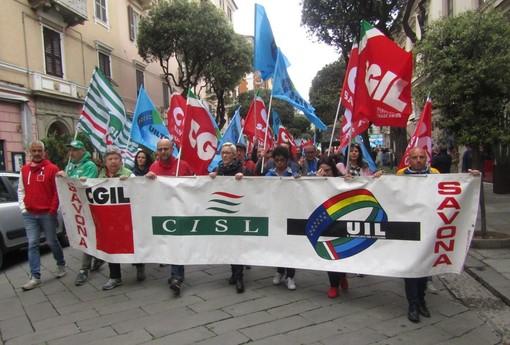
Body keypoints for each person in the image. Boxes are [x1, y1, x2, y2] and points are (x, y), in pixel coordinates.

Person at [397, 147, 480, 323]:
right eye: (415, 158)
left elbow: (454, 184)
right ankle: (412, 304)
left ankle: (421, 300)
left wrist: (471, 177)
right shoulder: (400, 175)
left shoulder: (435, 173)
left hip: (430, 227)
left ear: (426, 159)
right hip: (409, 229)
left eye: (421, 157)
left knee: (424, 267)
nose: (418, 160)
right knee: (410, 268)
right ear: (409, 160)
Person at [146, 139, 194, 295]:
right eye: (160, 149)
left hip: (180, 211)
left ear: (173, 149)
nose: (163, 152)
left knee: (177, 242)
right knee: (168, 243)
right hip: (162, 212)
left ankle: (177, 276)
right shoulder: (153, 167)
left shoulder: (183, 165)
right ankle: (176, 273)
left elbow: (194, 185)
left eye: (166, 148)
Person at [18, 140, 66, 290]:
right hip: (30, 214)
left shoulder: (52, 169)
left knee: (52, 241)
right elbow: (21, 190)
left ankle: (61, 264)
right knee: (32, 244)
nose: (37, 153)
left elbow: (56, 192)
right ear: (30, 152)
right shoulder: (24, 170)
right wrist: (23, 209)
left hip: (47, 213)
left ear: (43, 152)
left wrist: (52, 210)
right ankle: (35, 276)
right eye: (34, 151)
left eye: (39, 151)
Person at [56, 140, 103, 286]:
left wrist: (67, 178)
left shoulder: (90, 166)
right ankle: (98, 256)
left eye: (75, 150)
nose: (72, 153)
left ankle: (84, 269)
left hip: (87, 207)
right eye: (70, 150)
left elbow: (84, 185)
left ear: (82, 150)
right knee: (86, 236)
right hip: (75, 207)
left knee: (86, 235)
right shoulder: (69, 166)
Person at [209, 142, 246, 293]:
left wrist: (245, 177)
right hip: (225, 213)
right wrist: (212, 177)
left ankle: (239, 276)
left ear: (234, 154)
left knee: (237, 243)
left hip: (240, 211)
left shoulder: (243, 169)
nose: (224, 155)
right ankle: (233, 272)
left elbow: (256, 185)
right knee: (229, 243)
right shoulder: (219, 169)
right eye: (222, 152)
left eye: (227, 153)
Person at [98, 146, 135, 291]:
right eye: (110, 159)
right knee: (111, 246)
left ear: (120, 161)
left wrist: (129, 183)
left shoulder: (129, 174)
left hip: (126, 216)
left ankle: (139, 266)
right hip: (109, 218)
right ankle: (115, 276)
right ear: (105, 162)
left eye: (116, 159)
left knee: (133, 243)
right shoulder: (99, 176)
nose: (113, 162)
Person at [265, 145, 300, 290]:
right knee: (278, 244)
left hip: (290, 214)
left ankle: (290, 276)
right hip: (275, 214)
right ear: (274, 160)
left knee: (290, 246)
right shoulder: (268, 175)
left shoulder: (294, 174)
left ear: (287, 161)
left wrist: (299, 181)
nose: (280, 163)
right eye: (277, 160)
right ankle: (279, 271)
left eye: (282, 160)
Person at [130, 150, 155, 281]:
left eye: (143, 157)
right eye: (138, 157)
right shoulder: (131, 173)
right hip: (136, 208)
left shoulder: (151, 171)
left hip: (150, 206)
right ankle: (140, 264)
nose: (140, 159)